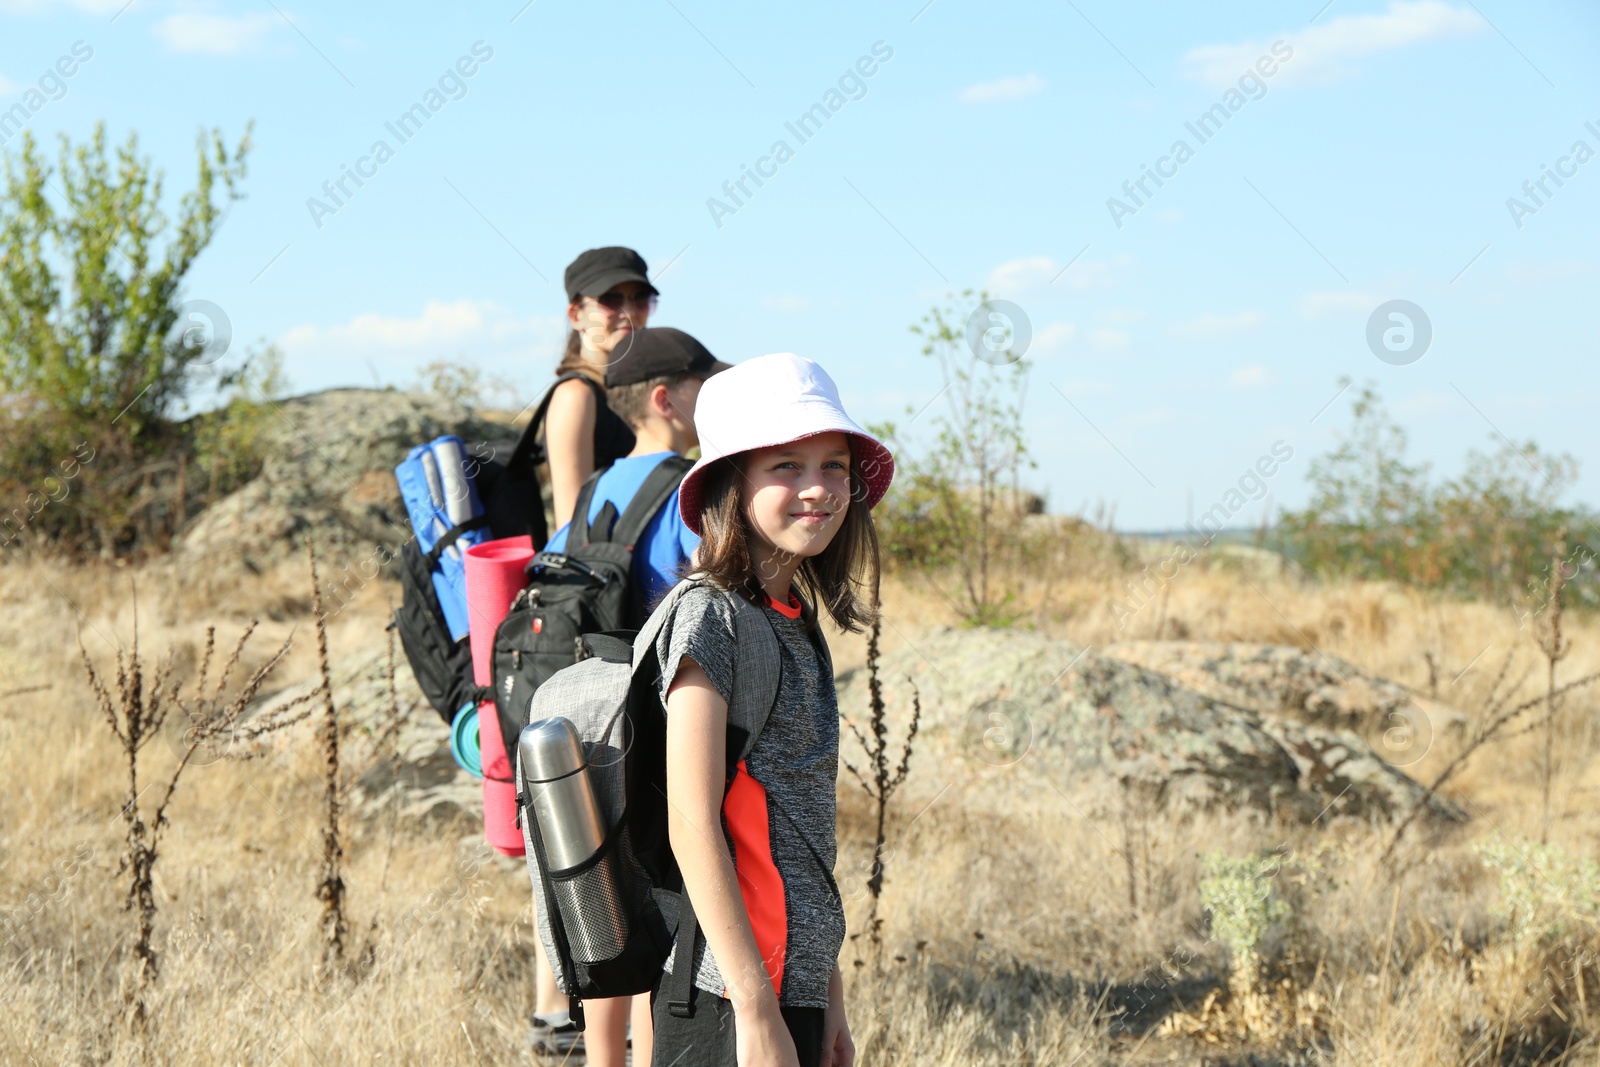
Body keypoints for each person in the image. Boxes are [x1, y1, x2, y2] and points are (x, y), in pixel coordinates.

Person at [650, 353, 893, 1067]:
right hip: (724, 996)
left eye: (834, 465)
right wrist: (754, 1008)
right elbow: (691, 821)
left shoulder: (793, 617)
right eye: (785, 466)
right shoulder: (708, 619)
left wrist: (827, 993)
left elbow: (794, 836)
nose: (817, 489)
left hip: (790, 987)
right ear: (732, 484)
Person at [533, 328, 729, 1066]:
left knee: (608, 926)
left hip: (585, 720)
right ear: (665, 398)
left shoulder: (594, 488)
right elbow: (712, 600)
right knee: (665, 933)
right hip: (657, 723)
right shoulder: (689, 488)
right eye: (702, 385)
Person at [543, 246, 658, 532]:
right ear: (576, 315)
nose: (629, 312)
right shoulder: (575, 396)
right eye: (611, 300)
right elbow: (570, 529)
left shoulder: (646, 392)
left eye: (640, 298)